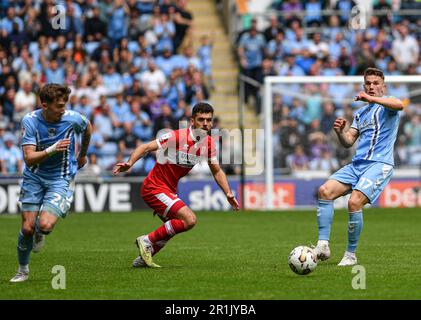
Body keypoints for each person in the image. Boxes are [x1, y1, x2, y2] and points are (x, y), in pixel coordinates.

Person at [113, 102, 240, 268]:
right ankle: (146, 240)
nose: (205, 123)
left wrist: (228, 193)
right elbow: (146, 147)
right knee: (189, 219)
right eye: (201, 119)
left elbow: (216, 171)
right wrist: (130, 163)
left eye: (209, 120)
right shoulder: (177, 136)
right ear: (192, 121)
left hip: (168, 190)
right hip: (154, 188)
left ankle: (144, 259)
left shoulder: (208, 143)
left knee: (175, 226)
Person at [313, 68, 404, 266]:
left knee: (354, 202)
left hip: (380, 164)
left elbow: (399, 105)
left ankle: (350, 255)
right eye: (368, 83)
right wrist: (339, 132)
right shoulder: (361, 113)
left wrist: (373, 100)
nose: (372, 86)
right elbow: (348, 141)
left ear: (383, 86)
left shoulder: (387, 105)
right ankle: (322, 245)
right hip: (357, 164)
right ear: (364, 86)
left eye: (376, 83)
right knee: (324, 191)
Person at [10, 83, 92, 282]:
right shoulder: (30, 121)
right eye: (58, 106)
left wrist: (82, 155)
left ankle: (41, 232)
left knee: (44, 225)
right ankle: (22, 271)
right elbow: (29, 158)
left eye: (64, 105)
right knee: (26, 228)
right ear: (44, 105)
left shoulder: (72, 119)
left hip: (60, 178)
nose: (63, 110)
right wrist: (52, 149)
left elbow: (87, 127)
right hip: (34, 177)